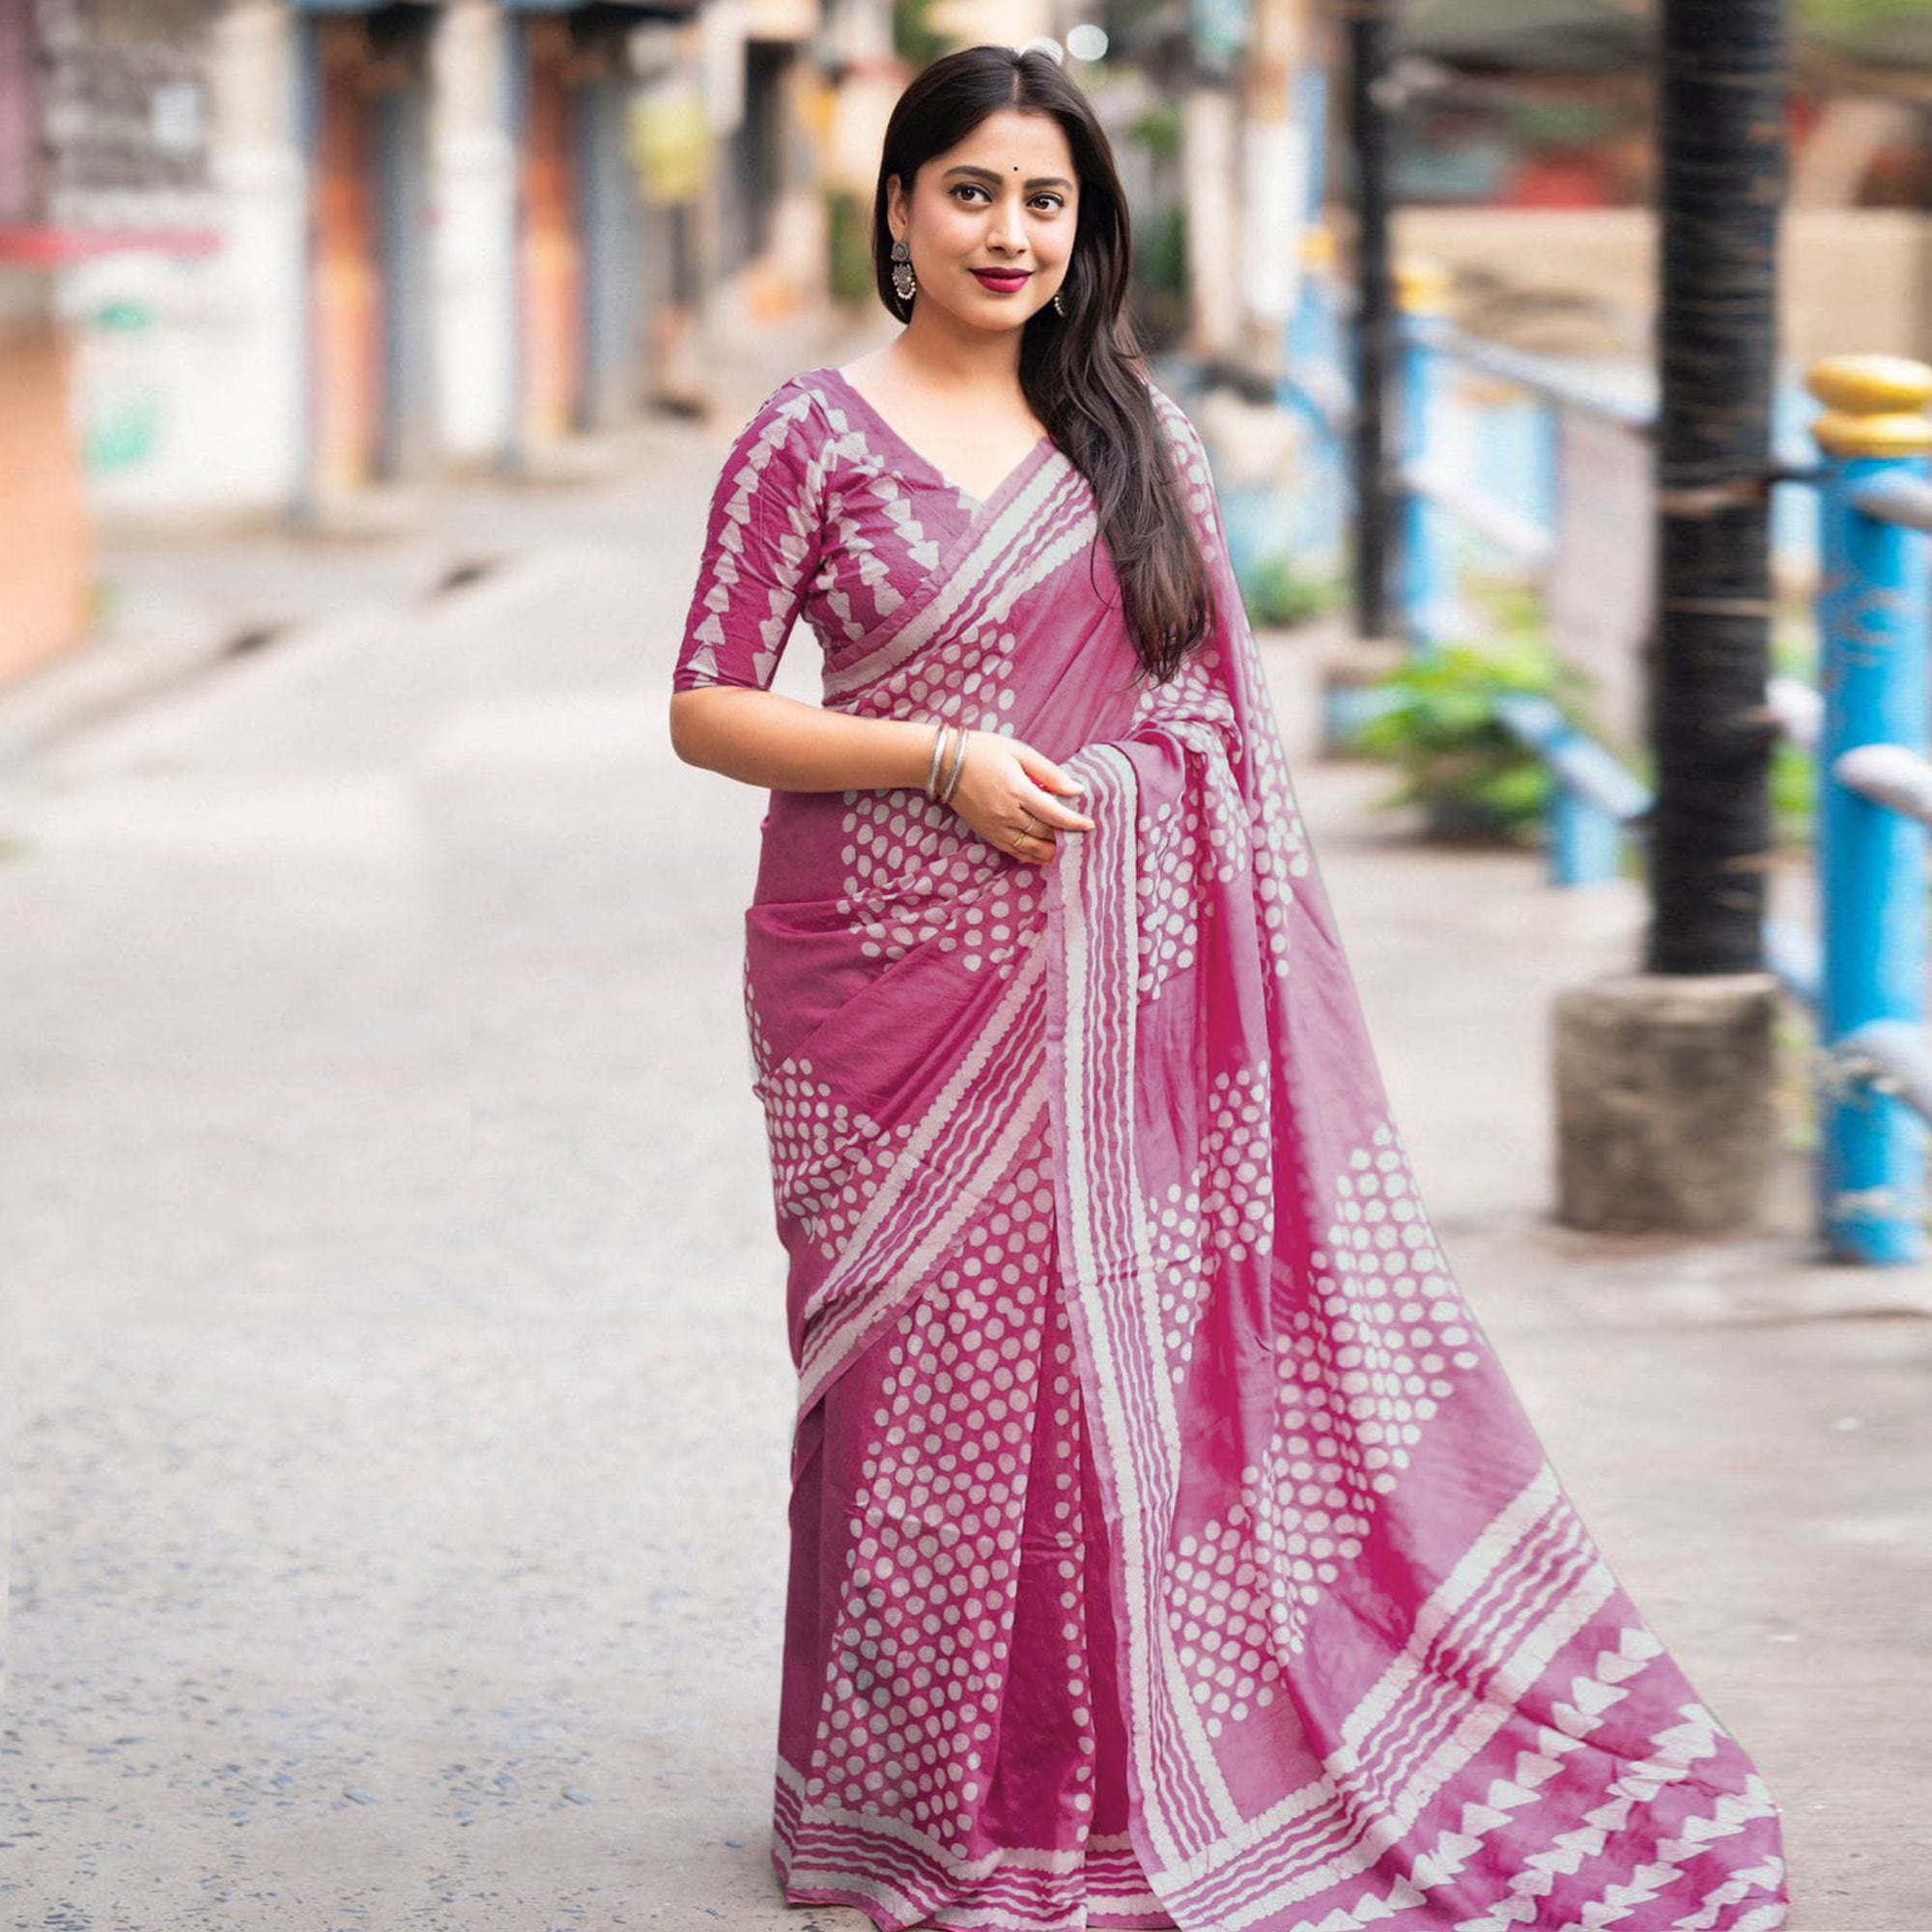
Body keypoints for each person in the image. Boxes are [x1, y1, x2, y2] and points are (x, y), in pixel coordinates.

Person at [666, 41, 1789, 1932]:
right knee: (902, 1407)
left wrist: (1101, 805)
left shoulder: (1136, 440)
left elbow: (1211, 739)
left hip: (1125, 990)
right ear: (899, 210)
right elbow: (707, 703)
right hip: (884, 998)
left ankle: (1102, 1788)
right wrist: (934, 760)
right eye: (971, 191)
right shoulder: (808, 436)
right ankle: (904, 1807)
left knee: (1119, 1394)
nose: (1008, 230)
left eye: (1045, 198)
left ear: (1083, 222)